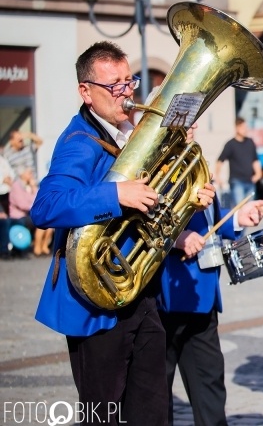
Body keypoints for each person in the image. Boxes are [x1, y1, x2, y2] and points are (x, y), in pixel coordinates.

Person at [30, 40, 216, 425]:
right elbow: (45, 206)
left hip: (138, 292)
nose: (125, 93)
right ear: (86, 91)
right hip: (94, 301)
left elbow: (146, 209)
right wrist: (115, 193)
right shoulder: (78, 143)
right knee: (104, 413)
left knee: (151, 410)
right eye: (113, 85)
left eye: (128, 82)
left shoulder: (127, 133)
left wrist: (189, 199)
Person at [158, 195, 263, 426]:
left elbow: (205, 217)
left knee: (210, 386)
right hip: (164, 292)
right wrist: (175, 237)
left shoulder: (195, 162)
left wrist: (236, 218)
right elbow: (142, 213)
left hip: (202, 294)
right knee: (156, 395)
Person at [215, 117, 261, 207]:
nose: (245, 130)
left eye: (246, 127)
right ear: (237, 128)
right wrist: (218, 177)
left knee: (250, 207)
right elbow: (220, 160)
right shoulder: (230, 144)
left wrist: (258, 174)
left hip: (250, 181)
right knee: (239, 207)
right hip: (236, 181)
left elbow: (255, 160)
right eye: (243, 128)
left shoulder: (250, 142)